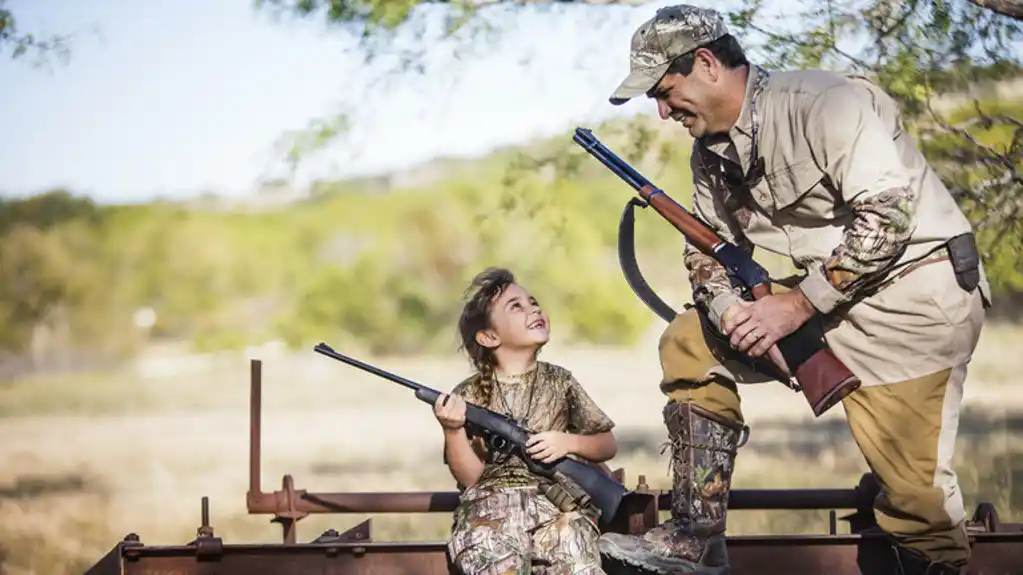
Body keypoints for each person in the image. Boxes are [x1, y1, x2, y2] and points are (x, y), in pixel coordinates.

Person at [596, 5, 991, 575]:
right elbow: (706, 249)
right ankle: (694, 538)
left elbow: (889, 213)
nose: (661, 112)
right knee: (689, 338)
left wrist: (796, 307)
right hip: (824, 297)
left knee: (916, 504)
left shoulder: (824, 104)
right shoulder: (710, 152)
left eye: (664, 91)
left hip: (912, 303)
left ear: (706, 64)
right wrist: (731, 307)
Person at [433, 266, 619, 575]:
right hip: (490, 510)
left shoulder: (561, 381)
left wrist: (568, 443)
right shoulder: (466, 396)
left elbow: (607, 444)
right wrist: (452, 430)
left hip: (557, 505)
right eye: (515, 306)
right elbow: (470, 478)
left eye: (532, 302)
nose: (533, 309)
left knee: (576, 554)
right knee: (492, 557)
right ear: (489, 336)